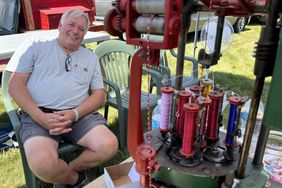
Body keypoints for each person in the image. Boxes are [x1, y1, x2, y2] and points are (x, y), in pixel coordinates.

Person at [6, 9, 118, 187]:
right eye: (71, 25)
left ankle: (70, 169)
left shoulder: (90, 57)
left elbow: (99, 95)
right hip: (38, 114)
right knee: (43, 165)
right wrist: (42, 118)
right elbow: (15, 86)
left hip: (79, 115)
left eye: (81, 29)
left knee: (109, 145)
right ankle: (76, 179)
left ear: (85, 34)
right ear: (60, 26)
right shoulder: (36, 45)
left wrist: (74, 114)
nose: (75, 31)